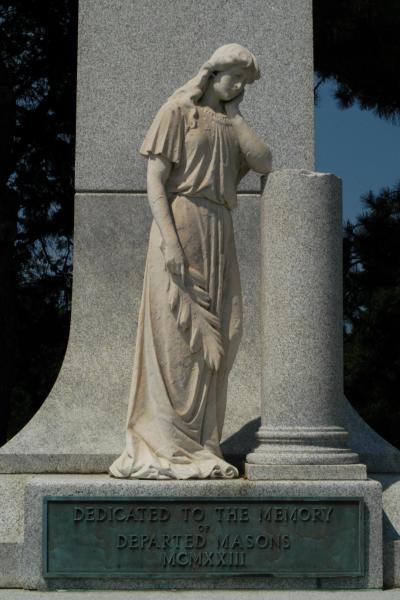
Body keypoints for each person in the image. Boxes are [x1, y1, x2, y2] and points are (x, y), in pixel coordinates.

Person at [110, 44, 272, 480]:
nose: (237, 85)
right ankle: (167, 440)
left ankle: (205, 440)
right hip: (180, 223)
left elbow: (264, 160)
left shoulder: (227, 124)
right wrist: (170, 242)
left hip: (219, 229)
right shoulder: (177, 111)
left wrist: (236, 116)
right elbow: (156, 180)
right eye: (231, 75)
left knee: (228, 330)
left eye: (244, 79)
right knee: (177, 335)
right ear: (211, 71)